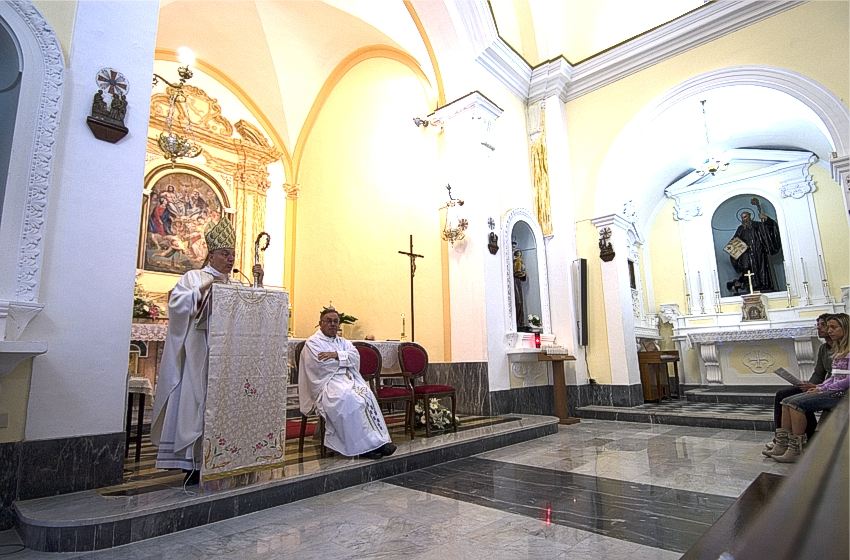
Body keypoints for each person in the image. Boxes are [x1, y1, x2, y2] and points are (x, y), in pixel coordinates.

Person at [150, 217, 263, 483]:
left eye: (233, 254)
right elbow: (177, 305)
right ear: (211, 254)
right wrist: (205, 291)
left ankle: (224, 455)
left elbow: (250, 312)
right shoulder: (194, 277)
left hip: (228, 355)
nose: (230, 259)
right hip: (200, 351)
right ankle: (194, 461)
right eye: (225, 254)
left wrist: (257, 284)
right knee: (197, 401)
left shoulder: (236, 283)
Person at [298, 307, 396, 459]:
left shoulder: (343, 342)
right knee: (349, 399)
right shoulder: (313, 343)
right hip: (327, 384)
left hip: (347, 379)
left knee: (366, 395)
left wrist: (336, 355)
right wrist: (343, 360)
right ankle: (362, 448)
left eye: (335, 321)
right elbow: (319, 365)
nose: (332, 324)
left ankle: (379, 442)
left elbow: (355, 358)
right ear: (320, 323)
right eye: (328, 321)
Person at [765, 313, 849, 463]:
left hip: (841, 393)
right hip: (830, 388)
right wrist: (817, 386)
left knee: (794, 403)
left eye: (832, 327)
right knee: (785, 400)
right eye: (827, 327)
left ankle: (796, 449)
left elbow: (845, 380)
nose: (828, 330)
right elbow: (830, 376)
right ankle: (783, 444)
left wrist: (821, 388)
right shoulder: (834, 350)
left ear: (845, 328)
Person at [725, 198, 782, 293]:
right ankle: (751, 287)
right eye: (743, 217)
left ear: (750, 216)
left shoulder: (758, 225)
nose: (744, 219)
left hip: (759, 252)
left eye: (746, 216)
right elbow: (735, 242)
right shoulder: (740, 229)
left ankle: (764, 286)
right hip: (746, 255)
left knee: (762, 269)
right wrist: (734, 253)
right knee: (748, 272)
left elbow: (769, 229)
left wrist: (767, 220)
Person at [513, 246, 527, 330]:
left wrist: (523, 274)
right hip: (515, 282)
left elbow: (522, 274)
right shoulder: (517, 262)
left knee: (520, 302)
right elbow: (517, 272)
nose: (520, 257)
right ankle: (518, 322)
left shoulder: (519, 262)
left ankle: (520, 322)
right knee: (518, 301)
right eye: (519, 255)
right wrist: (522, 274)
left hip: (518, 282)